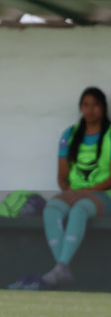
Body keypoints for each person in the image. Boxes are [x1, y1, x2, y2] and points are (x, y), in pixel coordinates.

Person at [38, 87, 111, 288]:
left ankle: (60, 267)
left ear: (103, 107)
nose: (90, 110)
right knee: (51, 209)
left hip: (103, 195)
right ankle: (63, 269)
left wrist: (87, 192)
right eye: (86, 105)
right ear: (80, 108)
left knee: (80, 210)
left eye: (95, 104)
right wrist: (68, 191)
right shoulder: (70, 134)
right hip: (74, 193)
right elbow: (62, 175)